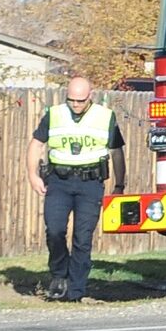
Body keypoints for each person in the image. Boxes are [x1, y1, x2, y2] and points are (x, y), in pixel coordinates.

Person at [28, 76, 126, 303]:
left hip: (90, 183)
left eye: (80, 101)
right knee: (54, 230)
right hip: (59, 181)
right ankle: (59, 275)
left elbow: (117, 152)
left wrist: (120, 185)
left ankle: (76, 290)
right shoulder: (55, 114)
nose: (76, 105)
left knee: (83, 238)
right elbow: (36, 144)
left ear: (89, 96)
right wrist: (33, 175)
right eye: (71, 100)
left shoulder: (104, 116)